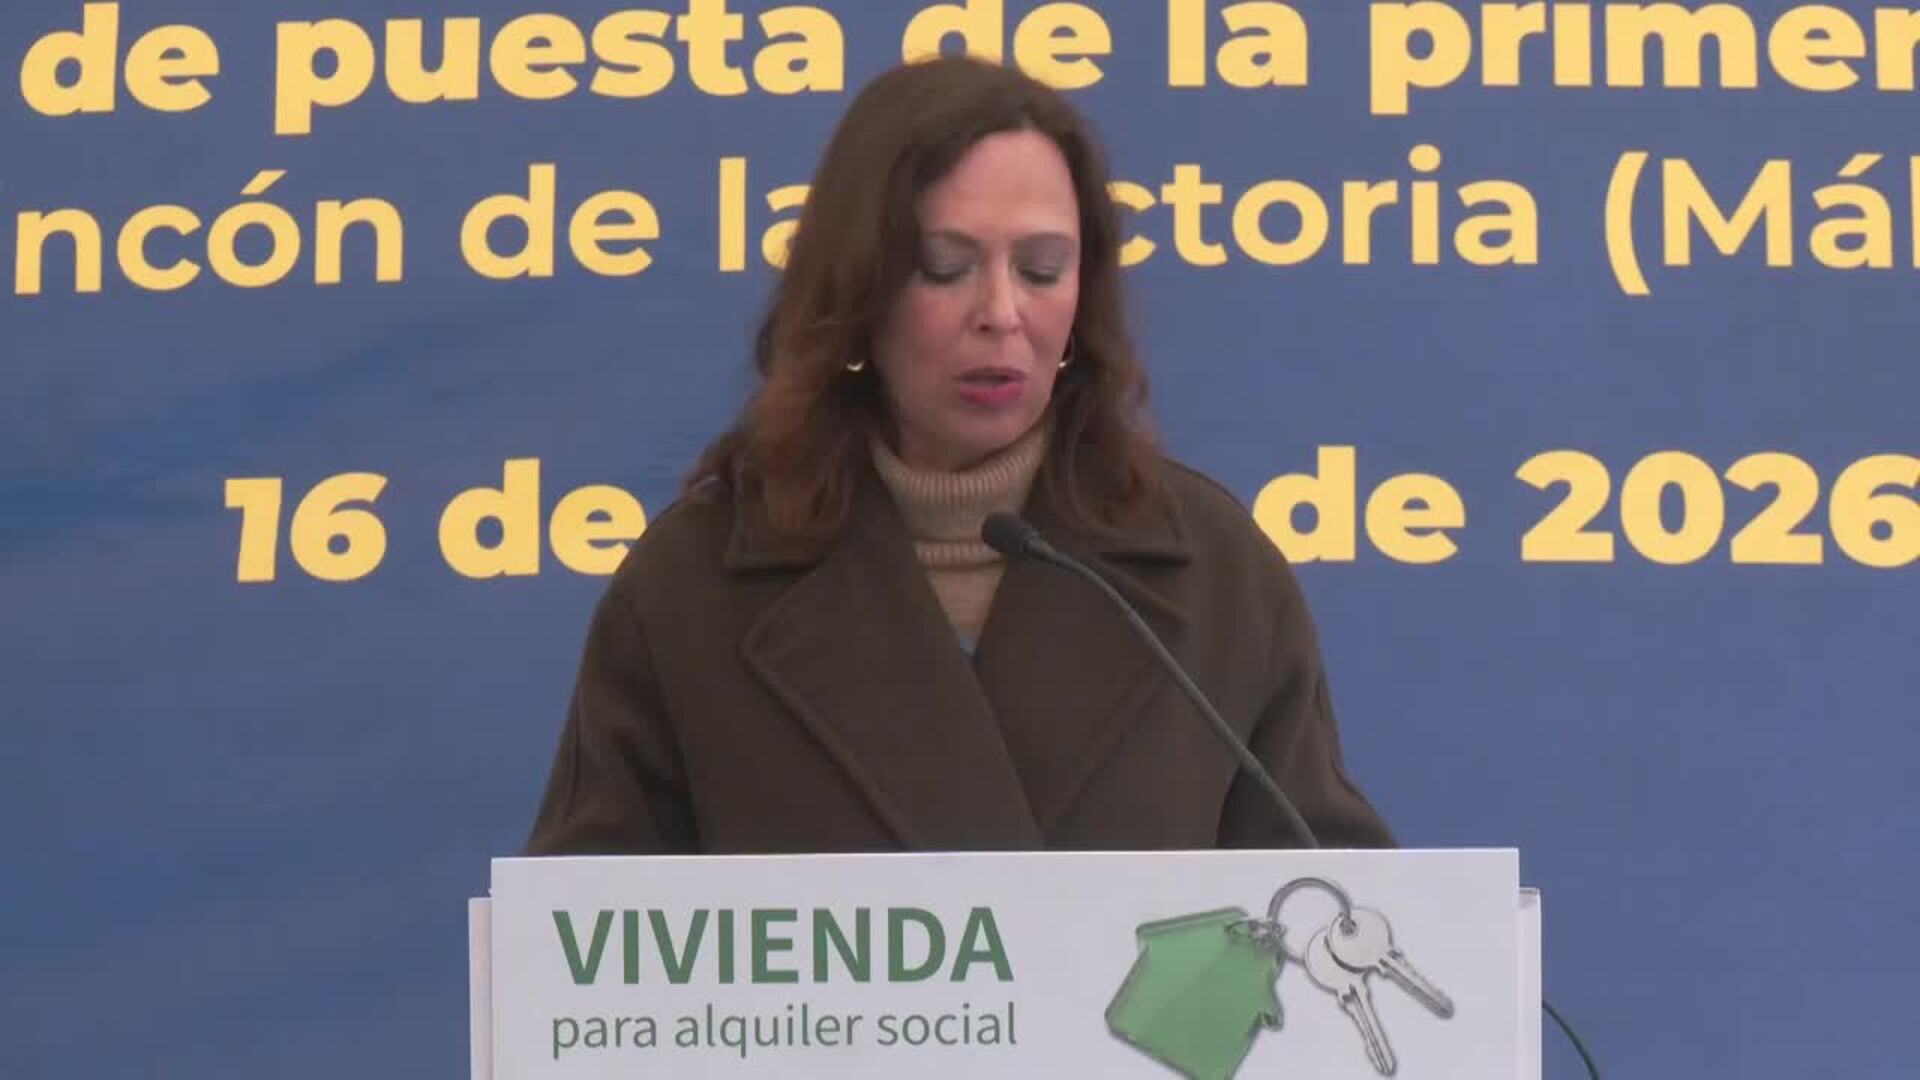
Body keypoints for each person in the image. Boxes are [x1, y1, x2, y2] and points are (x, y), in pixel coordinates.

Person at [524, 54, 1393, 856]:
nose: (1002, 313)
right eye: (945, 267)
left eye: (1043, 269)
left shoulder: (1217, 576)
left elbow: (1334, 906)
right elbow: (580, 947)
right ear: (857, 289)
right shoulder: (689, 590)